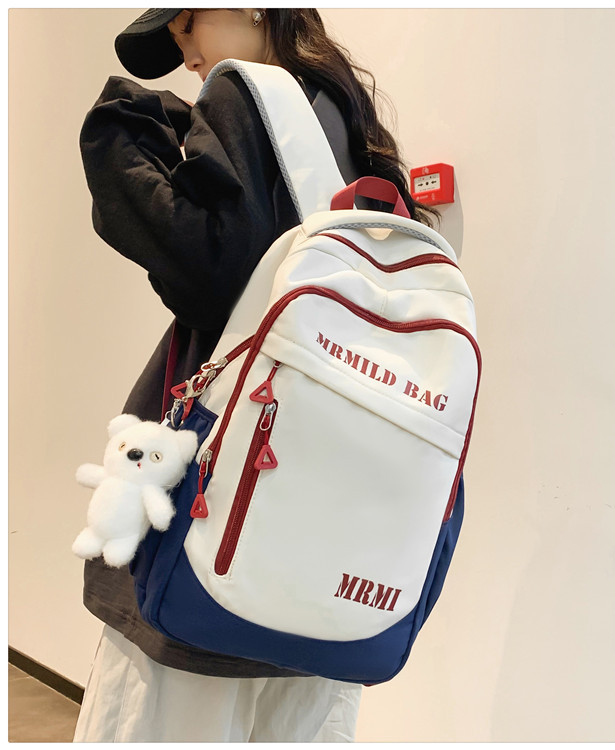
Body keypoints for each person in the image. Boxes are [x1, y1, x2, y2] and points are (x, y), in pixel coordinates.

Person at [73, 8, 435, 743]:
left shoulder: (245, 94)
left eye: (185, 23)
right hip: (332, 559)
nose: (184, 52)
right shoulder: (354, 124)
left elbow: (210, 271)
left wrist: (121, 131)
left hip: (220, 523)